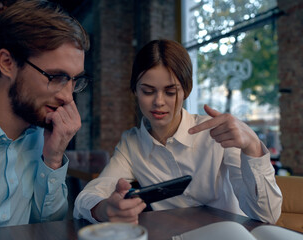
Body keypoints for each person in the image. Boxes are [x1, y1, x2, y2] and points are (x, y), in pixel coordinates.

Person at [73, 39, 282, 224]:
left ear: (186, 91)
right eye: (147, 91)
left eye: (170, 92)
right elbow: (88, 197)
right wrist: (104, 209)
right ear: (134, 90)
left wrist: (252, 147)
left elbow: (266, 215)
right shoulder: (132, 144)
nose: (159, 102)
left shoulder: (218, 133)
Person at [0, 0, 90, 239]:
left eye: (74, 81)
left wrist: (52, 160)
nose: (67, 96)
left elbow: (48, 231)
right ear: (7, 63)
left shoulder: (45, 137)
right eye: (55, 77)